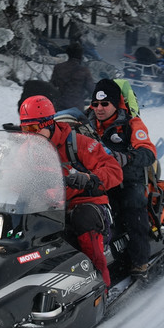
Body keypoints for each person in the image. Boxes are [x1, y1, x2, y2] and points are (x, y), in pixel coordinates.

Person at [19, 95, 123, 288]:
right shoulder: (26, 149)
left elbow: (114, 170)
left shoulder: (78, 143)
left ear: (49, 123)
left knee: (85, 222)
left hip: (83, 202)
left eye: (33, 128)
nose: (29, 135)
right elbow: (13, 177)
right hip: (47, 205)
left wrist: (90, 178)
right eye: (25, 129)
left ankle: (101, 284)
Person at [85, 79, 157, 279]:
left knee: (133, 209)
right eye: (95, 104)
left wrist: (127, 157)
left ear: (116, 104)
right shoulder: (85, 122)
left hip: (127, 181)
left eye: (105, 104)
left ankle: (140, 261)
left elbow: (149, 152)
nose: (99, 108)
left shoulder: (131, 124)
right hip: (97, 179)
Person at [50, 42, 95, 112]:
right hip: (76, 107)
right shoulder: (84, 71)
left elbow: (52, 85)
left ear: (68, 53)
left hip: (60, 106)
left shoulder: (58, 68)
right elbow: (92, 90)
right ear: (80, 55)